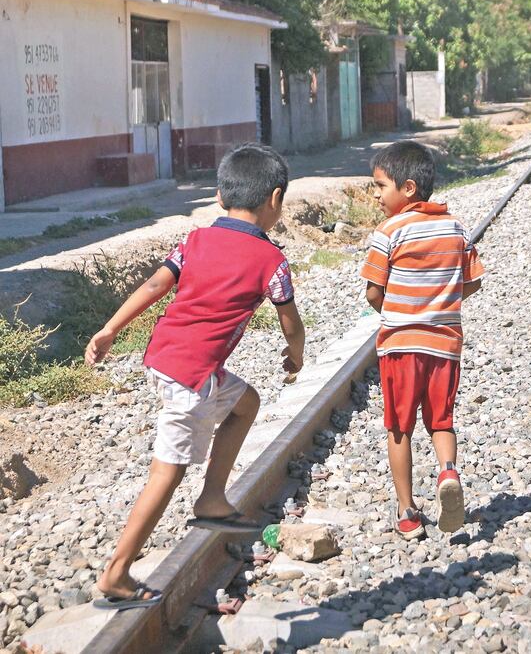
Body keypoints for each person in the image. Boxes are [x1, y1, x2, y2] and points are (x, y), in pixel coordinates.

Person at [84, 143, 305, 609]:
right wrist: (295, 355)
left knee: (246, 403)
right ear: (276, 199)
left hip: (165, 358)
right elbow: (291, 322)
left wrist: (109, 330)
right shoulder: (272, 261)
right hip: (191, 375)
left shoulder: (195, 240)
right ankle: (117, 573)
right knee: (167, 471)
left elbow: (154, 284)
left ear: (220, 198)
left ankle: (212, 498)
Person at [360, 140, 484, 540]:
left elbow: (373, 292)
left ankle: (407, 511)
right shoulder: (455, 228)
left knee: (399, 426)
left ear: (407, 188)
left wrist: (398, 311)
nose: (376, 195)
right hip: (445, 344)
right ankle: (448, 471)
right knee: (441, 420)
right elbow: (473, 281)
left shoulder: (389, 231)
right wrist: (442, 302)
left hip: (400, 345)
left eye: (380, 187)